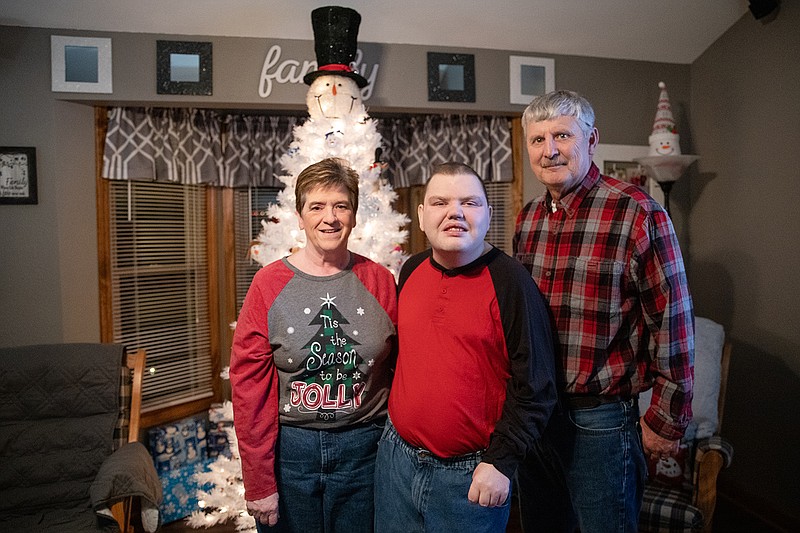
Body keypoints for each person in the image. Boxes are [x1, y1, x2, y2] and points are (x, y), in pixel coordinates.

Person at [513, 90, 694, 532]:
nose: (549, 150)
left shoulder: (638, 213)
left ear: (591, 140)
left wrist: (666, 419)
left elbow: (672, 320)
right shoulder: (527, 219)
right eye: (537, 140)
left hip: (601, 421)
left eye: (561, 135)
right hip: (536, 415)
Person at [374, 162, 557, 533]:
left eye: (469, 203)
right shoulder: (410, 270)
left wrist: (501, 463)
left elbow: (537, 387)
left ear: (488, 215)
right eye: (440, 202)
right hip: (396, 462)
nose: (455, 212)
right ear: (422, 217)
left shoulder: (512, 284)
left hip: (470, 477)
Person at [230, 157, 397, 532]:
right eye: (317, 206)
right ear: (300, 215)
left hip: (365, 451)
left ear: (354, 214)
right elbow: (248, 389)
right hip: (291, 453)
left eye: (341, 205)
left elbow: (404, 370)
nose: (330, 218)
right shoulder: (268, 286)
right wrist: (259, 482)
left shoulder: (380, 281)